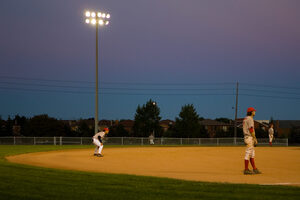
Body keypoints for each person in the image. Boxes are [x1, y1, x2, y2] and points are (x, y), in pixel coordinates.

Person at [243, 107, 262, 175]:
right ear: (251, 112)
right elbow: (251, 129)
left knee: (252, 154)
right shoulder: (250, 119)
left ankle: (254, 168)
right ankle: (246, 169)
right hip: (249, 137)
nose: (255, 112)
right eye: (254, 111)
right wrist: (255, 138)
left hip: (247, 137)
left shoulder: (246, 118)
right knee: (248, 153)